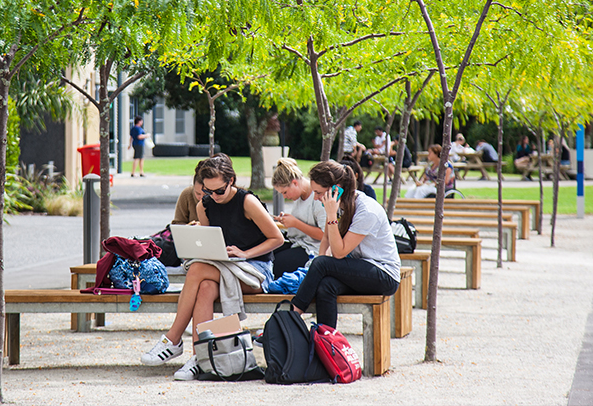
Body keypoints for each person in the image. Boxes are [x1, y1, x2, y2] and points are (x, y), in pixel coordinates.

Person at [140, 154, 283, 380]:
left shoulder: (247, 202)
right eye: (208, 191)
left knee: (197, 270)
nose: (213, 196)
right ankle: (201, 356)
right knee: (205, 287)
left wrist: (245, 253)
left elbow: (277, 239)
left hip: (256, 269)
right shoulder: (203, 206)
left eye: (219, 191)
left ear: (231, 181)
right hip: (224, 267)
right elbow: (209, 248)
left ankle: (173, 338)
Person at [290, 161, 400, 329]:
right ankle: (326, 341)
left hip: (384, 274)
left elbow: (339, 252)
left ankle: (292, 316)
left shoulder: (366, 210)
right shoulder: (336, 205)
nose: (315, 198)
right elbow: (326, 239)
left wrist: (332, 214)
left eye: (318, 192)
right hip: (361, 269)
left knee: (322, 264)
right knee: (326, 286)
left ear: (336, 188)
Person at [270, 158, 326, 280]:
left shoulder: (317, 197)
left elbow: (325, 235)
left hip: (313, 249)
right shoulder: (299, 196)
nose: (285, 197)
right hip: (298, 243)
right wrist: (287, 221)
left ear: (295, 183)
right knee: (267, 254)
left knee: (275, 265)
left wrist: (295, 223)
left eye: (285, 192)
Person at [172, 160, 206, 225]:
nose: (201, 198)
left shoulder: (218, 197)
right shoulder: (187, 194)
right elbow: (178, 223)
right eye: (198, 193)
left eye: (206, 194)